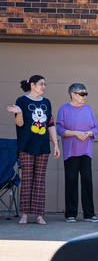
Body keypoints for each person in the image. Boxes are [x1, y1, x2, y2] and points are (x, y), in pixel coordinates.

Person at [7, 75, 60, 225]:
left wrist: (55, 144)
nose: (44, 86)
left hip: (43, 146)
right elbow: (20, 123)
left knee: (39, 180)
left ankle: (39, 215)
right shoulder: (22, 101)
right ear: (33, 85)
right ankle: (24, 214)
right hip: (26, 146)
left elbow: (50, 124)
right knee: (27, 179)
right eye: (41, 84)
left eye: (45, 84)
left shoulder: (46, 102)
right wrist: (19, 112)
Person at [56, 83, 98, 223]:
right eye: (82, 94)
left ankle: (89, 214)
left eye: (86, 94)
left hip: (86, 151)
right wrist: (75, 133)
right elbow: (59, 129)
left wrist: (89, 133)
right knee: (71, 181)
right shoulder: (64, 109)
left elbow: (96, 128)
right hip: (71, 151)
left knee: (87, 181)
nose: (85, 97)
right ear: (73, 94)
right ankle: (70, 214)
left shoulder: (89, 109)